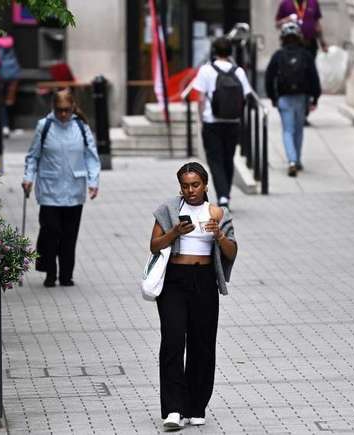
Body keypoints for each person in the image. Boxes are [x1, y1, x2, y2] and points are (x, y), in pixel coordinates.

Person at [150, 162, 237, 430]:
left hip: (204, 282)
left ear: (205, 185)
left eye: (195, 185)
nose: (191, 190)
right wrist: (174, 232)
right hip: (175, 280)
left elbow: (232, 253)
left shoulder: (218, 212)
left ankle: (196, 405)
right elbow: (153, 245)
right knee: (173, 341)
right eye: (185, 186)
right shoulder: (169, 209)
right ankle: (173, 409)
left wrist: (218, 234)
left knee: (202, 344)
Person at [22, 89, 100, 288]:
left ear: (72, 107)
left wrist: (93, 182)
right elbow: (33, 156)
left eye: (66, 110)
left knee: (69, 235)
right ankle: (50, 272)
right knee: (50, 231)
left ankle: (66, 275)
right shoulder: (44, 126)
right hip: (49, 191)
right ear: (53, 108)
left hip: (74, 191)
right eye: (59, 110)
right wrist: (28, 177)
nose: (63, 114)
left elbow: (91, 156)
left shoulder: (81, 127)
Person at [192, 37, 253, 209]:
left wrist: (201, 118)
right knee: (228, 158)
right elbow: (246, 95)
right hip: (233, 121)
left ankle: (223, 196)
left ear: (214, 52)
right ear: (230, 52)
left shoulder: (206, 70)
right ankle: (226, 193)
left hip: (212, 121)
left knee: (215, 160)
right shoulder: (238, 71)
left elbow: (201, 98)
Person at [265, 22, 321, 177]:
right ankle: (297, 160)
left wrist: (272, 97)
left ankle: (291, 160)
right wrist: (315, 98)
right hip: (301, 98)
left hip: (284, 98)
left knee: (287, 130)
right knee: (298, 131)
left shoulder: (278, 55)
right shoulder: (306, 55)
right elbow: (314, 78)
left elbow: (269, 78)